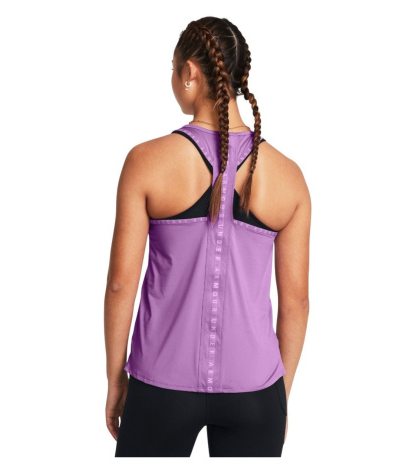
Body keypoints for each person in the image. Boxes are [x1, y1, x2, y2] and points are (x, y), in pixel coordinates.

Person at [104, 16, 311, 457]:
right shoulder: (290, 177)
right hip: (256, 391)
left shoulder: (145, 161)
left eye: (173, 68)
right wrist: (279, 395)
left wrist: (115, 378)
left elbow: (121, 284)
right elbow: (296, 302)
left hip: (160, 385)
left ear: (190, 73)